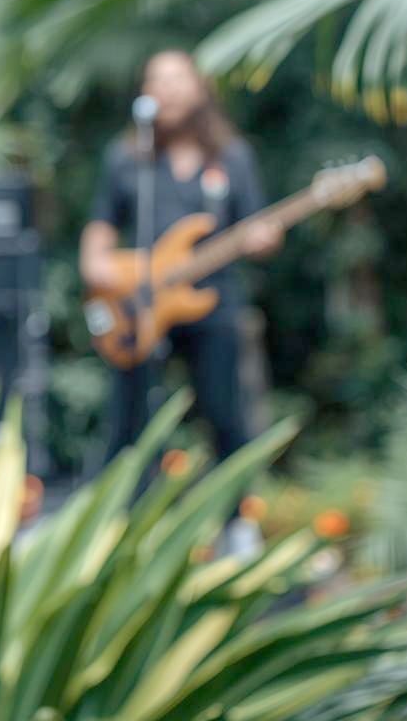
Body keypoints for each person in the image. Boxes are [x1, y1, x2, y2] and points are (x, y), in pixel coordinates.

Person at [79, 51, 281, 549]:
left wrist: (264, 239)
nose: (167, 88)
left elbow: (257, 227)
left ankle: (237, 526)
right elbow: (101, 225)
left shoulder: (231, 158)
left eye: (177, 78)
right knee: (130, 418)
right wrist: (97, 263)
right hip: (140, 304)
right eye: (156, 79)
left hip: (212, 301)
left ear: (199, 88)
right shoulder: (128, 158)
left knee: (224, 412)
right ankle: (120, 527)